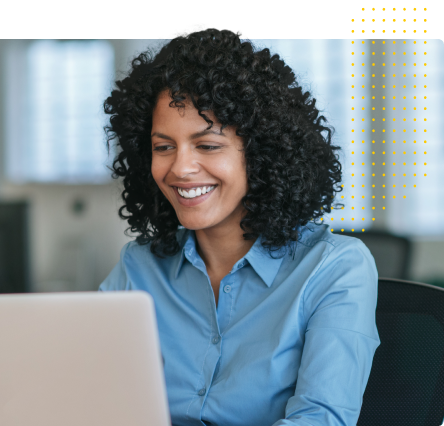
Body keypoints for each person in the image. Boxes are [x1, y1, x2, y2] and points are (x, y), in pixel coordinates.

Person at [99, 26, 380, 426]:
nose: (180, 168)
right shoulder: (138, 268)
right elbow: (90, 400)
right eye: (163, 147)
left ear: (262, 153)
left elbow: (321, 419)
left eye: (208, 145)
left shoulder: (334, 268)